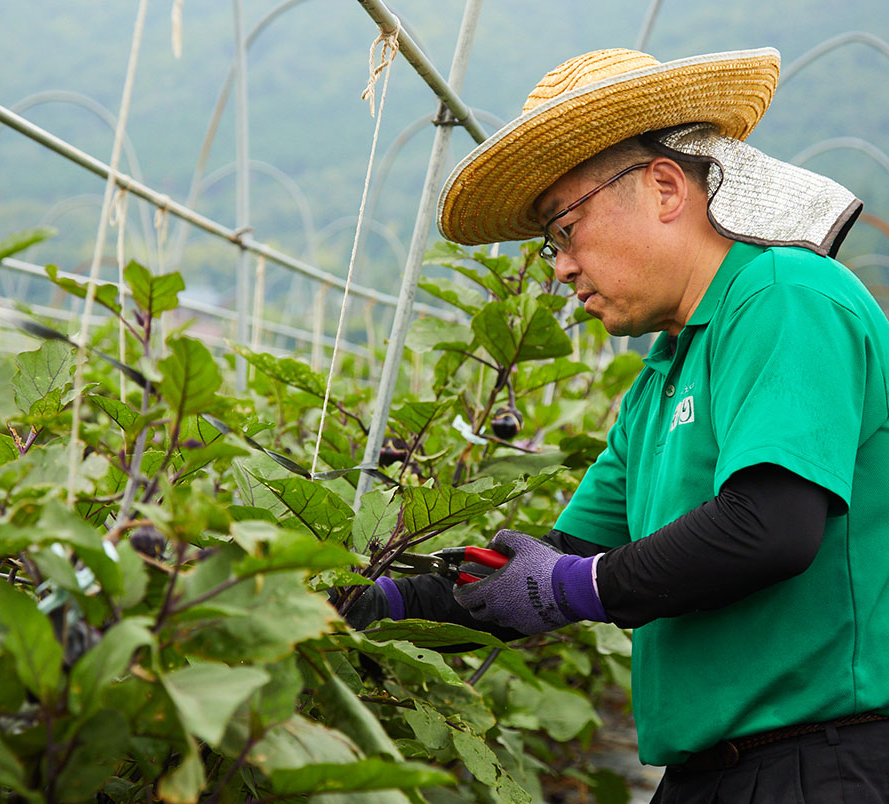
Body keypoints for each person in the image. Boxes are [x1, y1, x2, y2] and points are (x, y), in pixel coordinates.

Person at [346, 48, 889, 802]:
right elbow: (556, 559)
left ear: (666, 187)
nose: (560, 268)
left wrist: (575, 586)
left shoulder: (785, 295)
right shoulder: (661, 377)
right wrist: (382, 602)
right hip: (713, 772)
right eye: (550, 245)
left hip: (828, 760)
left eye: (564, 229)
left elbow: (770, 526)